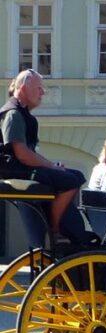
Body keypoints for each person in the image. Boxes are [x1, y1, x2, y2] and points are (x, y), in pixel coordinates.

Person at [1, 69, 90, 244]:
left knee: (77, 176)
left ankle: (63, 226)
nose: (43, 93)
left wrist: (52, 166)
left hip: (22, 169)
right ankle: (55, 231)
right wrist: (52, 166)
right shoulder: (13, 114)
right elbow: (23, 154)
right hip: (15, 171)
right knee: (70, 181)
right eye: (39, 88)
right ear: (24, 89)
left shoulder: (24, 115)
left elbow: (29, 154)